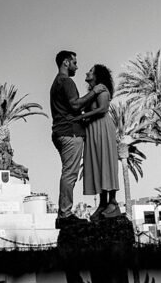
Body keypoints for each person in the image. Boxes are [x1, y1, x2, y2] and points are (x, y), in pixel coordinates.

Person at [51, 51, 105, 227]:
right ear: (66, 63)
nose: (77, 66)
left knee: (68, 172)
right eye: (74, 62)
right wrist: (95, 92)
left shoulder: (56, 83)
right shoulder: (66, 81)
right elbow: (75, 104)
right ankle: (65, 214)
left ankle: (64, 213)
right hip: (69, 133)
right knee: (70, 173)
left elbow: (70, 107)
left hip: (61, 132)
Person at [74, 64, 121, 220]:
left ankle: (113, 202)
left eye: (91, 71)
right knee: (98, 165)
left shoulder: (101, 88)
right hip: (93, 130)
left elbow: (103, 109)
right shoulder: (93, 91)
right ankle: (102, 203)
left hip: (102, 128)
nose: (87, 72)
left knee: (106, 162)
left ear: (97, 75)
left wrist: (82, 117)